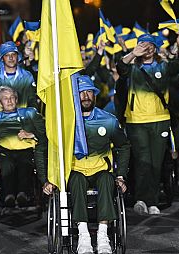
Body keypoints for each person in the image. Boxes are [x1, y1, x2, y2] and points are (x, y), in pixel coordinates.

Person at [41, 75, 130, 254]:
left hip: (100, 169)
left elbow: (124, 145)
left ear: (95, 95)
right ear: (74, 96)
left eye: (89, 92)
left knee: (107, 180)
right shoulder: (64, 123)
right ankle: (83, 235)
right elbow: (48, 149)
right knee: (76, 181)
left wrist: (120, 175)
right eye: (81, 93)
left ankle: (103, 235)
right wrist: (49, 179)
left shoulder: (108, 120)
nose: (86, 96)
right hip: (75, 170)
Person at [117, 33, 179, 215]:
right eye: (142, 45)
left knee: (156, 163)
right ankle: (141, 199)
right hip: (137, 121)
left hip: (160, 121)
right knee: (142, 161)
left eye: (149, 46)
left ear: (155, 49)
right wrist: (133, 53)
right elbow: (120, 66)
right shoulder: (132, 68)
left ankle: (152, 201)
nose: (145, 49)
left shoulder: (163, 66)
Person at [0, 86, 47, 207]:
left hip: (26, 150)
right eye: (5, 99)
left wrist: (31, 134)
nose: (9, 101)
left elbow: (45, 133)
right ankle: (8, 195)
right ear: (0, 103)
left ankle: (23, 194)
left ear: (16, 100)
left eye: (12, 98)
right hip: (5, 151)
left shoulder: (29, 113)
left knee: (24, 163)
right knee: (5, 164)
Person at [0, 41, 38, 115]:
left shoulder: (27, 76)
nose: (11, 58)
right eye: (7, 55)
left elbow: (32, 101)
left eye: (13, 54)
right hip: (3, 121)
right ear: (2, 59)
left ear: (17, 56)